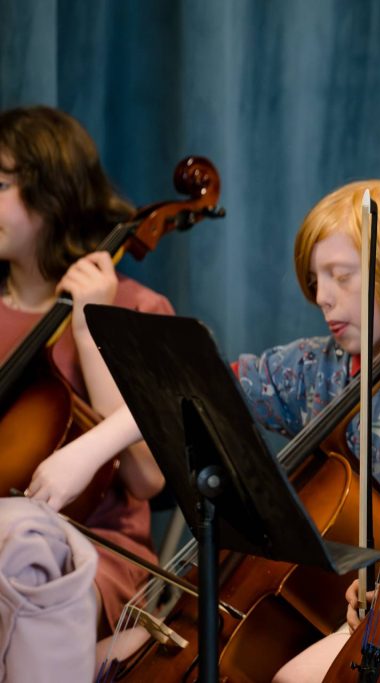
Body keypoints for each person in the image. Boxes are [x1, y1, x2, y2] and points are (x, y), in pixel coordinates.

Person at [59, 178, 380, 681]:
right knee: (87, 663)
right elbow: (197, 392)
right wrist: (89, 449)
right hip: (361, 597)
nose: (322, 297)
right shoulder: (317, 367)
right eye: (315, 279)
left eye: (341, 276)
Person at [0, 105, 171, 678]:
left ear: (53, 195)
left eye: (0, 185)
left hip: (95, 553)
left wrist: (90, 329)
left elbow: (147, 476)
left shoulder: (137, 308)